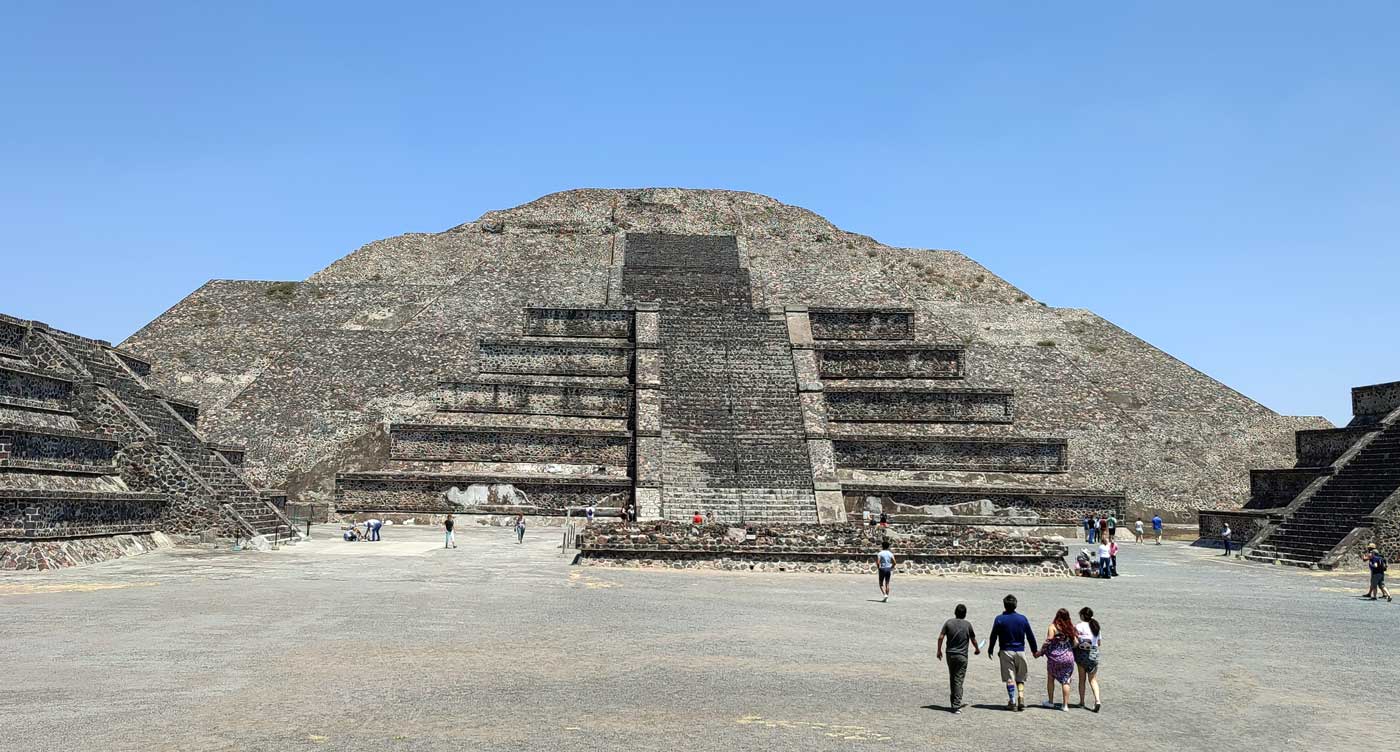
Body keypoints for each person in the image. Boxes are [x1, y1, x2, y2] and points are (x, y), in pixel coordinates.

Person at [987, 594, 1038, 712]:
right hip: (1020, 651)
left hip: (1006, 651)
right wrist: (1034, 650)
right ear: (1016, 605)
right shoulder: (1023, 618)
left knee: (1009, 678)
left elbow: (993, 636)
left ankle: (1012, 701)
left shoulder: (999, 619)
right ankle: (1021, 696)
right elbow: (1030, 636)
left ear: (1004, 605)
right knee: (1020, 677)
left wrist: (990, 649)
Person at [937, 603, 981, 713]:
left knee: (953, 677)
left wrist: (939, 650)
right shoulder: (967, 625)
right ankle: (956, 705)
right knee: (958, 679)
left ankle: (953, 702)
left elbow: (941, 637)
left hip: (950, 654)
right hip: (962, 656)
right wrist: (977, 649)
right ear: (965, 614)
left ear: (955, 613)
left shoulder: (948, 623)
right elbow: (973, 639)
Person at [1033, 608, 1076, 711]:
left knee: (1051, 678)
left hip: (1055, 658)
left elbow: (1048, 642)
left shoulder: (1052, 627)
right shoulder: (1070, 628)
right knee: (1066, 681)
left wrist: (1040, 653)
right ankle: (1065, 705)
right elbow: (1075, 643)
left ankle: (1051, 701)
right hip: (1068, 657)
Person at [1074, 607, 1102, 712]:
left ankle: (1082, 702)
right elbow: (1099, 643)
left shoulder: (1079, 626)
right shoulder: (1096, 626)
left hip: (1082, 654)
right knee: (1093, 680)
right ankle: (1097, 700)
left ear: (1082, 616)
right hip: (1094, 654)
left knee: (1082, 679)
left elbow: (1075, 640)